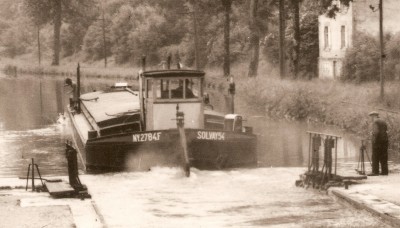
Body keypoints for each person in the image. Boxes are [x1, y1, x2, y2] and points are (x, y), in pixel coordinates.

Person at [368, 111, 389, 176]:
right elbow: (386, 131)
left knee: (375, 157)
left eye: (371, 117)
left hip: (377, 142)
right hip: (385, 142)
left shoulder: (375, 122)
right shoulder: (383, 121)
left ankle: (375, 172)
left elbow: (376, 132)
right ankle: (384, 172)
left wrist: (373, 139)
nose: (370, 118)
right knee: (384, 157)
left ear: (374, 116)